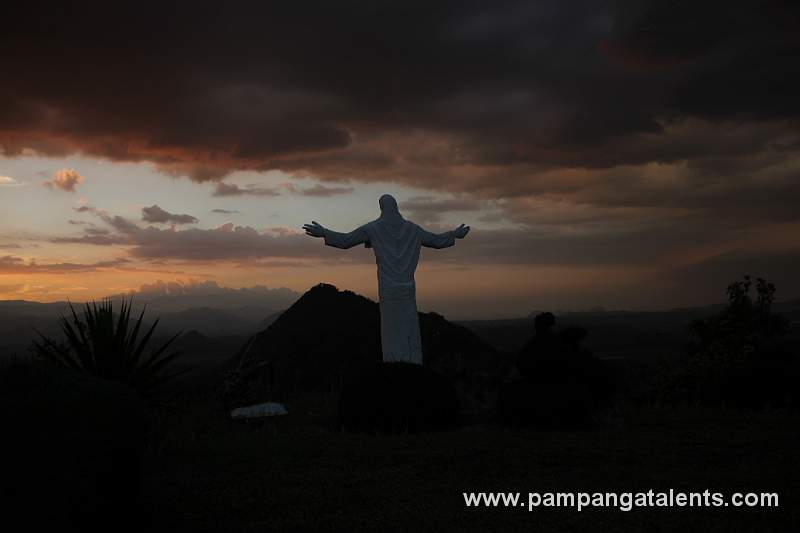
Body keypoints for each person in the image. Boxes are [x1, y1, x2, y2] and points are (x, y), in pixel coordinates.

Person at [303, 194, 470, 365]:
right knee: (409, 330)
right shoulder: (413, 229)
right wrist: (454, 234)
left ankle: (395, 368)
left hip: (389, 290)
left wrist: (324, 232)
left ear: (381, 208)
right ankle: (412, 365)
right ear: (396, 207)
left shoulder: (373, 228)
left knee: (392, 332)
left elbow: (346, 241)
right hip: (407, 290)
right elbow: (436, 240)